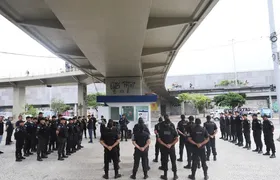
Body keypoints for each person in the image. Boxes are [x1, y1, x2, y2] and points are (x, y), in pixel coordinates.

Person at [157, 115, 178, 180]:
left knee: (165, 161)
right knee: (173, 161)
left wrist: (165, 145)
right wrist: (171, 144)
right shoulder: (172, 128)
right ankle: (175, 175)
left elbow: (159, 139)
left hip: (164, 148)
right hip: (171, 148)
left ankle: (165, 175)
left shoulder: (161, 128)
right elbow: (177, 139)